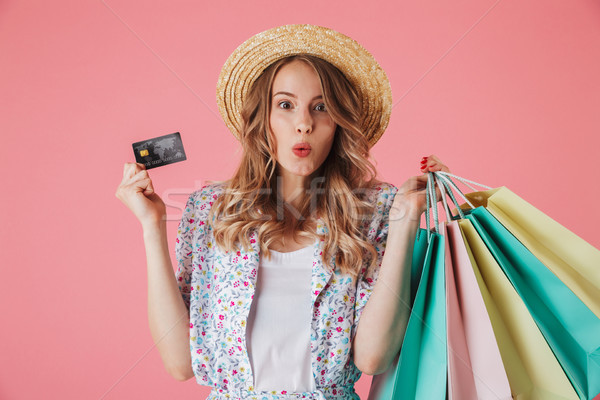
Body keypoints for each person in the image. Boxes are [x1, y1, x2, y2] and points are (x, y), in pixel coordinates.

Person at [116, 24, 449, 400]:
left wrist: (406, 219)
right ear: (264, 119)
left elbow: (373, 358)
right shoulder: (210, 210)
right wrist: (151, 225)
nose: (303, 123)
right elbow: (180, 363)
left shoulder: (375, 212)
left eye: (320, 107)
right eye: (285, 105)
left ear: (338, 122)